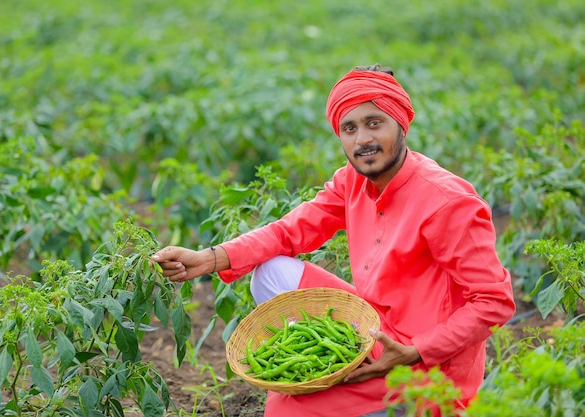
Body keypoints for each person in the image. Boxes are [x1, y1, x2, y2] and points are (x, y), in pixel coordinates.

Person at [151, 63, 516, 417]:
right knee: (272, 272)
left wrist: (415, 350)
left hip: (426, 365)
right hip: (370, 328)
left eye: (375, 124)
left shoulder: (448, 202)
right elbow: (288, 231)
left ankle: (394, 403)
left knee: (288, 411)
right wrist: (207, 258)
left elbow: (494, 302)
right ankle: (339, 372)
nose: (363, 140)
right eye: (350, 128)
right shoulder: (353, 181)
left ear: (401, 124)